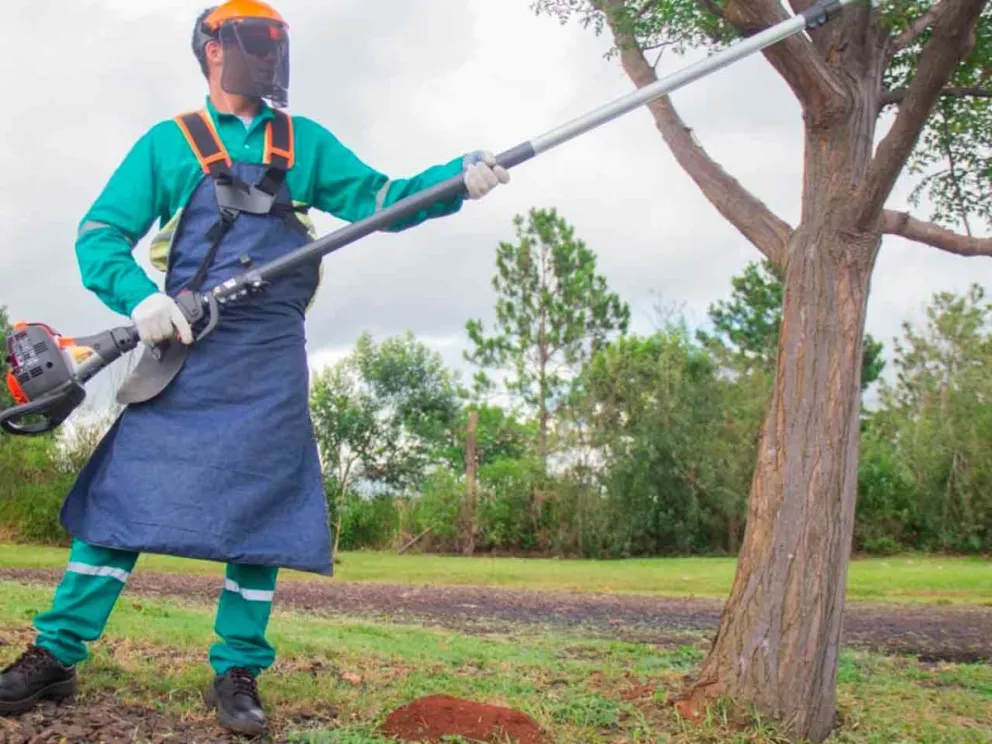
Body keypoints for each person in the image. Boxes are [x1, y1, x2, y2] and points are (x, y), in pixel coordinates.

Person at [0, 0, 509, 735]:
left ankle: (237, 671)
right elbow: (99, 236)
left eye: (278, 42)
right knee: (120, 502)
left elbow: (382, 201)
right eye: (257, 40)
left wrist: (455, 180)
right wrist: (142, 297)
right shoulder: (169, 144)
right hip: (184, 352)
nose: (271, 54)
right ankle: (56, 655)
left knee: (261, 513)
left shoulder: (304, 142)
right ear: (214, 48)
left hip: (268, 356)